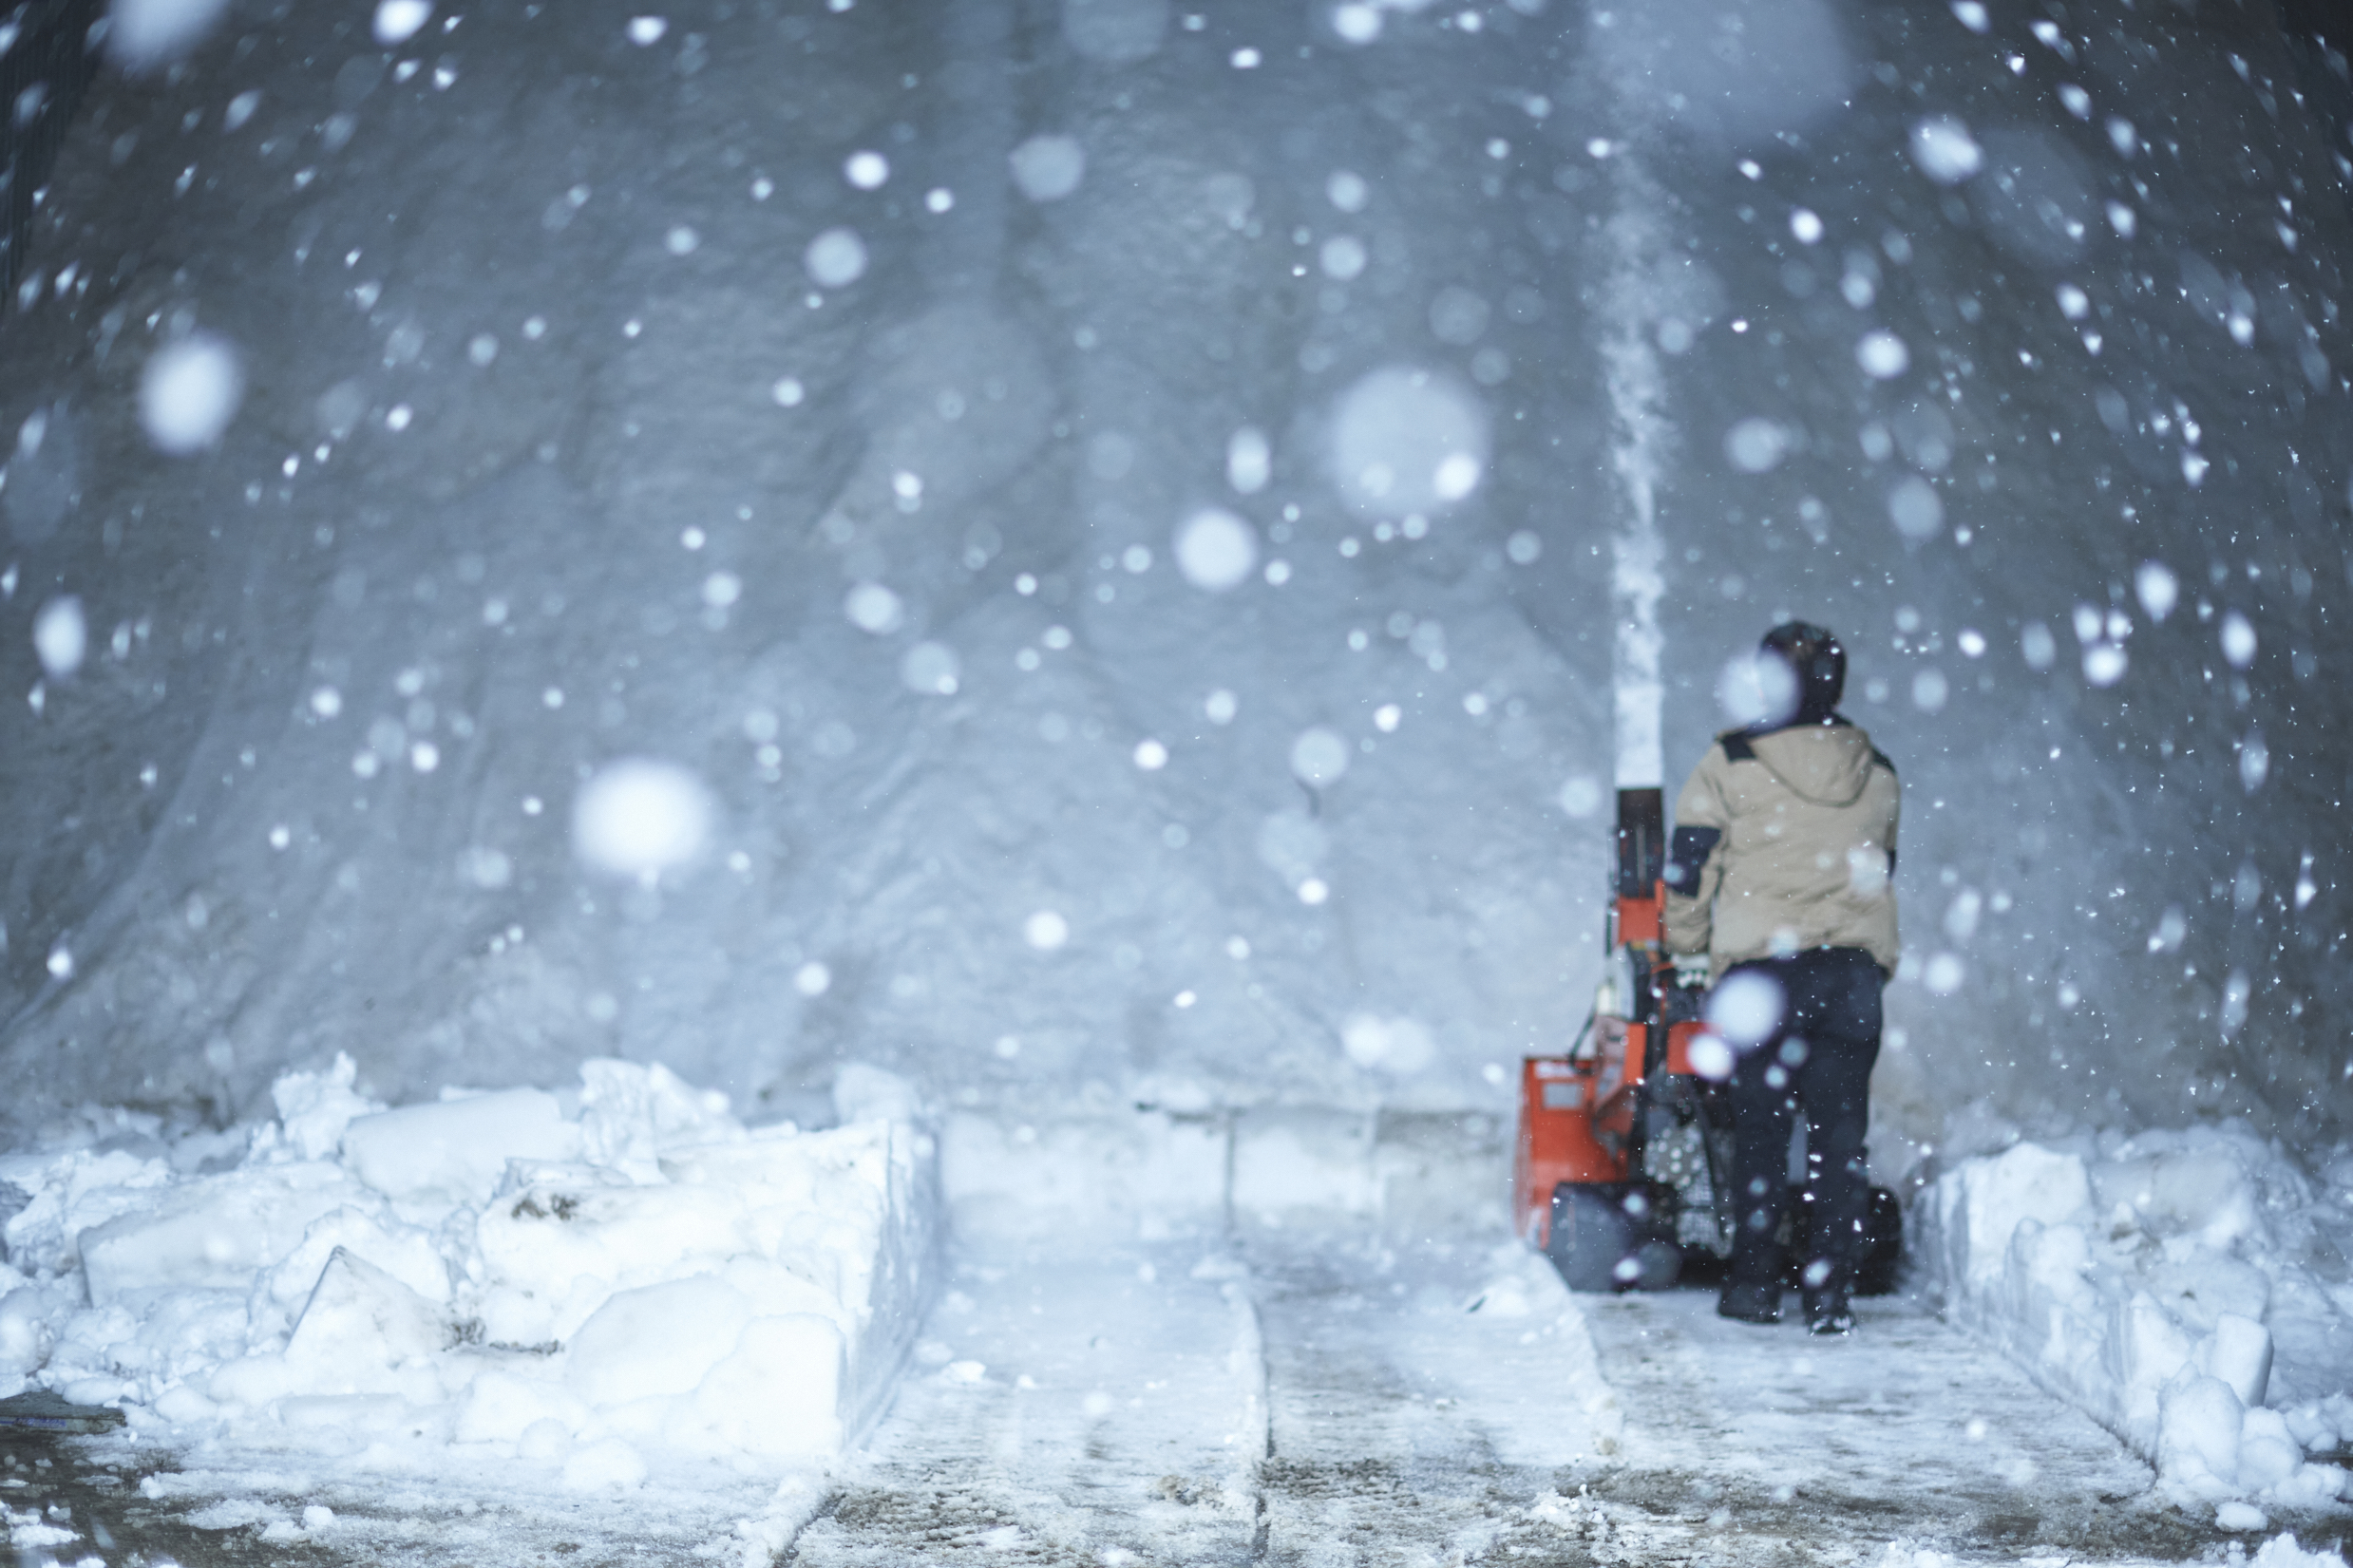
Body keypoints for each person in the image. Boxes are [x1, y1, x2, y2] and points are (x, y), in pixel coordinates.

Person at [1660, 622, 1899, 1335]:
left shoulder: (1730, 760)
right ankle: (1829, 1294)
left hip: (1760, 978)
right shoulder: (1876, 768)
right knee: (1839, 1141)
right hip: (1850, 974)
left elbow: (1689, 863)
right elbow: (1882, 866)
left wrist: (1685, 947)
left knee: (1759, 1134)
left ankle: (1754, 1284)